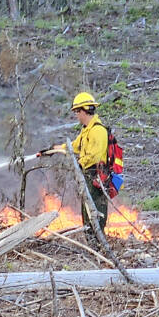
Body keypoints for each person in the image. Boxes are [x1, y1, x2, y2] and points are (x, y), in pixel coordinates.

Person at [44, 91, 110, 240]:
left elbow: (95, 156)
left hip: (96, 176)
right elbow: (75, 146)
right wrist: (54, 149)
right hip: (87, 176)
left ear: (85, 110)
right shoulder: (87, 130)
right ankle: (92, 242)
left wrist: (79, 163)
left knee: (96, 210)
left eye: (77, 112)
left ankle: (98, 243)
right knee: (86, 210)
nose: (76, 115)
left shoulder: (98, 130)